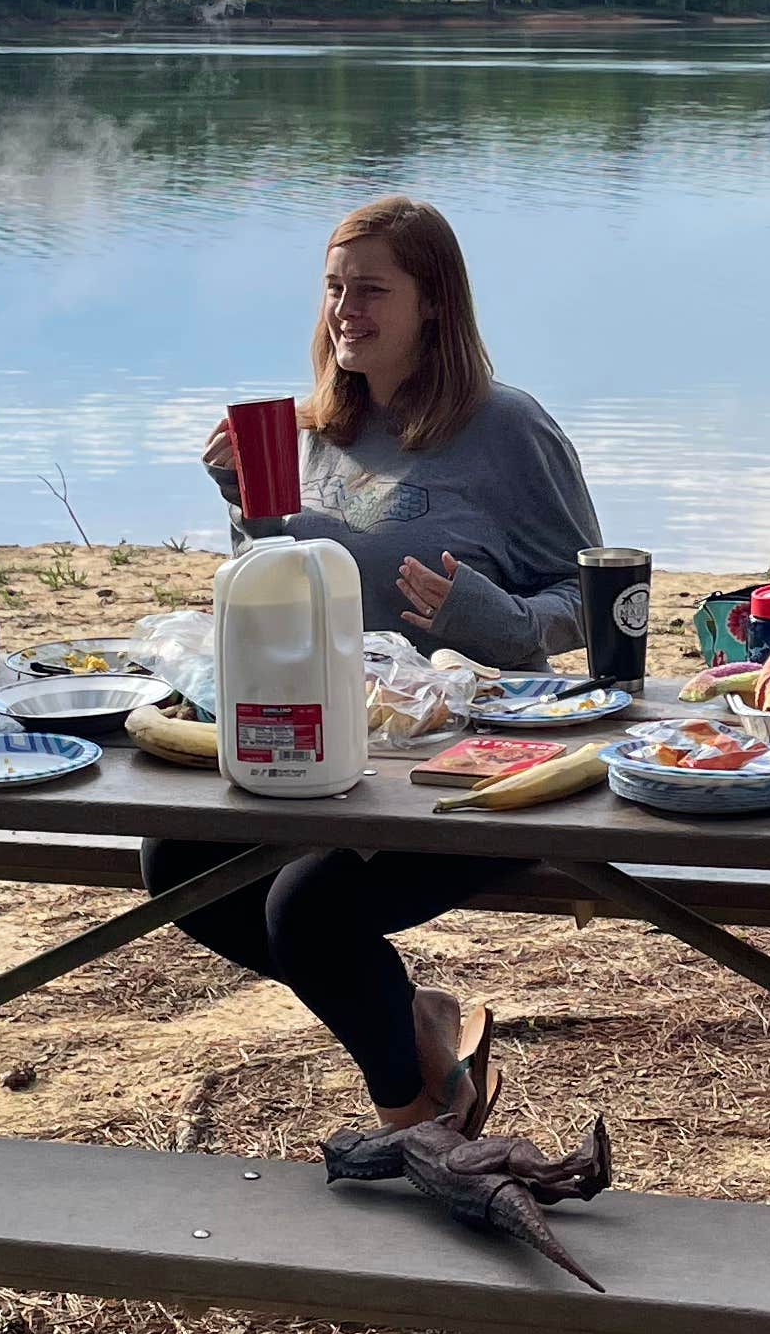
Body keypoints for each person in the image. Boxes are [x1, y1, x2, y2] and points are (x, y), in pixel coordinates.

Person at [158, 195, 608, 1132]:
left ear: (432, 302)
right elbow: (288, 593)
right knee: (176, 862)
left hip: (482, 763)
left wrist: (494, 617)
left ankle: (421, 1117)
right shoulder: (314, 429)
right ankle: (421, 1028)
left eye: (371, 289)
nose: (343, 310)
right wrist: (247, 511)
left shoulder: (507, 430)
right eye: (333, 289)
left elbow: (590, 608)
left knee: (307, 908)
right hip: (329, 749)